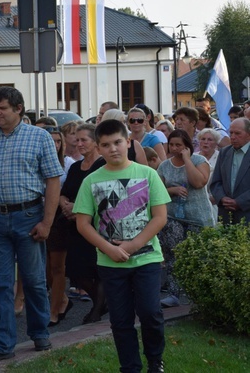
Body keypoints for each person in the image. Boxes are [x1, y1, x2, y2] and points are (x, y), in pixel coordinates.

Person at [0, 87, 63, 364]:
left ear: (18, 109)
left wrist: (47, 221)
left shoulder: (39, 137)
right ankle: (2, 343)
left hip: (29, 215)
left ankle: (39, 332)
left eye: (2, 109)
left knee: (34, 281)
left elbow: (53, 180)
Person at [73, 119, 170, 373]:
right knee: (120, 320)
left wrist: (134, 245)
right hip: (111, 262)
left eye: (117, 142)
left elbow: (160, 217)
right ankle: (130, 366)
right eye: (105, 145)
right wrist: (110, 249)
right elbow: (83, 224)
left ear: (128, 142)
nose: (113, 149)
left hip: (146, 258)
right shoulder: (91, 181)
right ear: (99, 148)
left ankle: (155, 360)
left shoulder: (147, 174)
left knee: (150, 312)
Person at [156, 129, 213, 309]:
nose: (174, 148)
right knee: (173, 254)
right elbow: (155, 191)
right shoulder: (164, 166)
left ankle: (198, 295)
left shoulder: (199, 161)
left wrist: (187, 159)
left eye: (178, 145)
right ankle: (174, 293)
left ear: (187, 145)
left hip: (197, 217)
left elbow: (198, 182)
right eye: (171, 145)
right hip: (173, 216)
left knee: (199, 255)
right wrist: (171, 191)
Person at [60, 123, 108, 324]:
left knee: (97, 270)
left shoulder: (103, 166)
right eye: (76, 139)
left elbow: (104, 197)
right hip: (74, 228)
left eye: (84, 140)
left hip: (96, 226)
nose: (78, 144)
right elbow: (64, 191)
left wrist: (78, 209)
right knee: (77, 272)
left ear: (95, 142)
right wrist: (64, 203)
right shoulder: (74, 167)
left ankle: (96, 310)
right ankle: (104, 303)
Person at [46, 126, 75, 327]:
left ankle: (54, 310)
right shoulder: (36, 160)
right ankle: (63, 300)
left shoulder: (69, 164)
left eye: (58, 141)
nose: (55, 145)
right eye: (51, 141)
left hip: (60, 219)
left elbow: (69, 190)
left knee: (58, 267)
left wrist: (62, 202)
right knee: (45, 268)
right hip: (38, 215)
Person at [209, 117, 250, 224]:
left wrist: (239, 202)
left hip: (247, 213)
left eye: (237, 133)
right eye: (231, 133)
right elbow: (216, 182)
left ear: (248, 134)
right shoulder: (224, 152)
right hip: (226, 215)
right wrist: (222, 198)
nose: (233, 137)